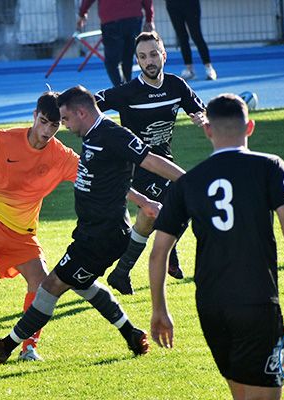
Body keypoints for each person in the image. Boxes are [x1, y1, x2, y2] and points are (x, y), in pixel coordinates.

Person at [0, 85, 186, 363]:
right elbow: (112, 181)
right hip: (89, 232)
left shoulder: (112, 134)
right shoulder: (91, 134)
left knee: (51, 285)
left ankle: (5, 347)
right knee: (82, 285)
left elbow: (150, 160)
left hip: (102, 236)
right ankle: (131, 333)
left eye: (65, 119)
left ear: (81, 113)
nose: (64, 125)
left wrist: (190, 182)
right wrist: (142, 200)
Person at [148, 93, 284, 400]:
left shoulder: (189, 182)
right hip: (257, 299)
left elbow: (159, 252)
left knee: (241, 394)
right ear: (250, 127)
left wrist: (159, 309)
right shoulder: (270, 166)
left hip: (211, 304)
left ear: (207, 130)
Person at [0, 91, 80, 362]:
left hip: (21, 229)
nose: (47, 130)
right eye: (43, 122)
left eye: (54, 125)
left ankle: (28, 347)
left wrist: (135, 195)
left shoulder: (62, 156)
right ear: (34, 116)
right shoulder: (4, 138)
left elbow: (93, 175)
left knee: (41, 282)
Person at [98, 31, 207, 295]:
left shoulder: (176, 85)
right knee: (183, 199)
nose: (149, 61)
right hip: (136, 168)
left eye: (154, 54)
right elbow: (90, 104)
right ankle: (170, 254)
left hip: (164, 163)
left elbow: (198, 109)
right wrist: (62, 107)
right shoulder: (128, 92)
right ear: (137, 60)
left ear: (164, 56)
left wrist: (202, 118)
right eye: (143, 56)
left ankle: (121, 273)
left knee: (147, 221)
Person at [77, 0, 155, 87]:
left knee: (112, 61)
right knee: (128, 57)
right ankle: (128, 86)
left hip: (110, 18)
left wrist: (82, 13)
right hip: (133, 17)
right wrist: (149, 18)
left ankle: (120, 88)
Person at [165, 0, 217, 80]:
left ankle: (209, 67)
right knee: (182, 37)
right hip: (172, 4)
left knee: (196, 35)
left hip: (191, 3)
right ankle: (189, 69)